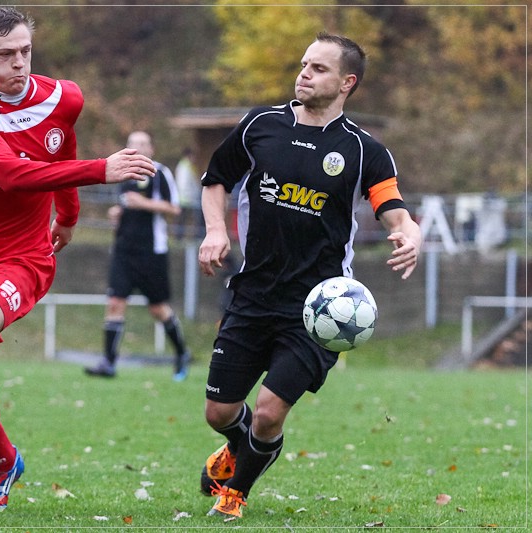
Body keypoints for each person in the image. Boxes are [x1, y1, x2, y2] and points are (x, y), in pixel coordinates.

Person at [0, 7, 155, 513]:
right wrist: (100, 170)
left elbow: (61, 153)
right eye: (5, 54)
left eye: (25, 52)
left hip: (23, 254)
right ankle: (5, 460)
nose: (19, 63)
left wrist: (68, 216)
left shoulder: (64, 97)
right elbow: (11, 173)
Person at [197, 32, 422, 519]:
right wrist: (215, 230)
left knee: (268, 411)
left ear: (347, 82)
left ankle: (235, 494)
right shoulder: (260, 125)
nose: (304, 74)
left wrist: (411, 235)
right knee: (219, 412)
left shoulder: (363, 150)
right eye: (304, 64)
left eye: (319, 68)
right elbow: (215, 181)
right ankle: (243, 446)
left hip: (319, 309)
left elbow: (396, 211)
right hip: (252, 294)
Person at [85, 131, 192, 382]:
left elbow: (174, 209)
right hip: (123, 250)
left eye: (143, 144)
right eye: (133, 144)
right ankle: (108, 363)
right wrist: (116, 214)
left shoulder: (160, 173)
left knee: (158, 309)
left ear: (151, 149)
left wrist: (142, 204)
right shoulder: (122, 173)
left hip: (151, 252)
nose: (138, 148)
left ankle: (182, 353)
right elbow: (125, 205)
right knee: (115, 303)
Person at [173, 146, 202, 239]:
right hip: (187, 198)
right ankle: (180, 238)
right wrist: (190, 195)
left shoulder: (185, 165)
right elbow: (184, 183)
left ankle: (180, 238)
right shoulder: (185, 166)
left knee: (184, 219)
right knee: (185, 218)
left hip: (186, 197)